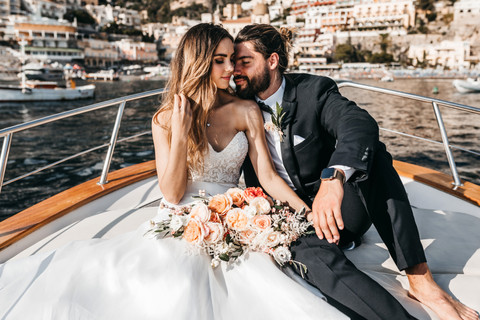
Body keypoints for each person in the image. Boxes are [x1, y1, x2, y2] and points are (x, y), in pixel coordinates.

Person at [0, 24, 349, 320]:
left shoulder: (246, 111)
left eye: (232, 59)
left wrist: (307, 213)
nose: (232, 69)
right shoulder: (165, 119)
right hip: (183, 215)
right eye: (220, 61)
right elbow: (170, 192)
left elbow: (268, 176)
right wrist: (181, 133)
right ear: (199, 63)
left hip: (237, 215)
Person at [234, 24, 479, 320]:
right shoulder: (234, 104)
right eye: (234, 62)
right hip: (288, 216)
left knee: (374, 156)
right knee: (321, 262)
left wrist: (334, 178)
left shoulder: (314, 91)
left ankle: (420, 280)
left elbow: (358, 123)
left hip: (338, 212)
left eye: (245, 62)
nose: (236, 70)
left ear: (272, 61)